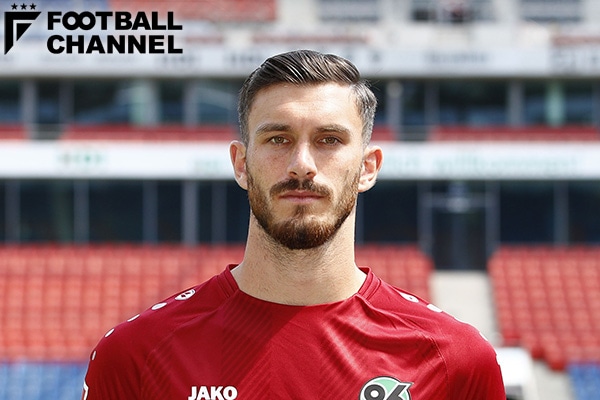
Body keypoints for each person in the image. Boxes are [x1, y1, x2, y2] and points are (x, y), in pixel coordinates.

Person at [81, 49, 505, 399]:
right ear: (241, 164)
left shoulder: (455, 361)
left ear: (367, 167)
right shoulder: (137, 356)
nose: (302, 165)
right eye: (278, 139)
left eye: (329, 140)